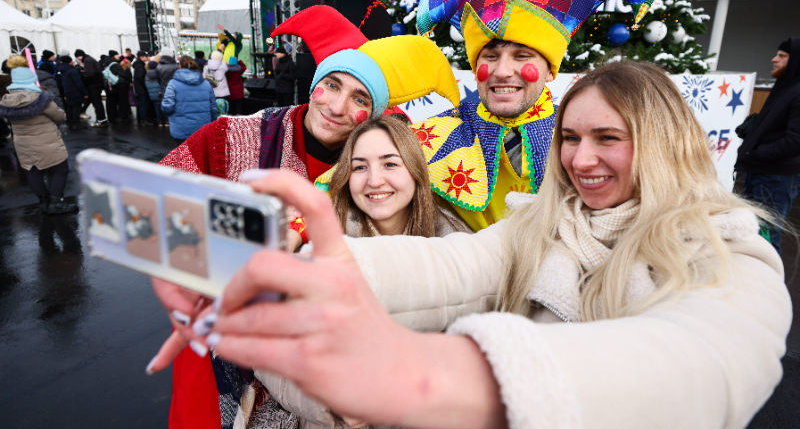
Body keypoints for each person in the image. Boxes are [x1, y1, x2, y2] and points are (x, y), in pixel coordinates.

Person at [150, 60, 792, 429]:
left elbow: (711, 358)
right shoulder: (545, 220)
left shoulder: (724, 245)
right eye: (569, 138)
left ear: (663, 139)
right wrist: (301, 269)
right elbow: (452, 265)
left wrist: (445, 379)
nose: (581, 159)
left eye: (608, 138)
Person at [157, 4, 460, 429]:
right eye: (331, 85)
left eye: (359, 98)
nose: (337, 106)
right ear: (315, 83)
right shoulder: (233, 135)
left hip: (314, 374)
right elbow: (157, 202)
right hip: (218, 348)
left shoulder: (374, 169)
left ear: (373, 113)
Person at [411, 0, 659, 231]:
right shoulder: (428, 138)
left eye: (522, 56)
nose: (502, 72)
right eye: (490, 56)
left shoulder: (582, 139)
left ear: (550, 70)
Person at [328, 115, 471, 238]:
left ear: (416, 171)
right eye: (360, 167)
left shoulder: (459, 245)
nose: (374, 181)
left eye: (390, 164)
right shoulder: (320, 241)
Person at [736, 37, 800, 255]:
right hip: (762, 171)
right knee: (750, 233)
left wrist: (757, 152)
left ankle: (769, 286)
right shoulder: (786, 86)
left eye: (782, 56)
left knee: (766, 239)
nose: (774, 59)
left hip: (776, 177)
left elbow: (796, 141)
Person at [0, 56, 77, 214]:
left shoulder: (6, 101)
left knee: (33, 171)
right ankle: (56, 203)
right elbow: (60, 117)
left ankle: (43, 203)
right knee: (60, 169)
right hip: (47, 141)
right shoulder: (41, 99)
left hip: (23, 144)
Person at [160, 56, 217, 146]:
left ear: (180, 66)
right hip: (203, 128)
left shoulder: (173, 83)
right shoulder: (206, 84)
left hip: (181, 128)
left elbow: (167, 107)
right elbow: (213, 107)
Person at [75, 49, 108, 128]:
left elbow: (90, 73)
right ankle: (102, 120)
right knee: (98, 102)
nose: (78, 59)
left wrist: (83, 75)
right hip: (98, 84)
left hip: (94, 85)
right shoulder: (90, 59)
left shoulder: (87, 60)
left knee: (96, 103)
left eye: (77, 57)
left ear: (80, 56)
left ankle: (101, 120)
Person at [59, 56, 88, 130]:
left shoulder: (63, 70)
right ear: (69, 62)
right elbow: (79, 83)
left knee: (70, 107)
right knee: (76, 108)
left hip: (67, 91)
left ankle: (70, 122)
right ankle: (76, 123)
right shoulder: (72, 71)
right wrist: (85, 92)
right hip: (75, 91)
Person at [104, 51, 132, 123]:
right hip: (119, 84)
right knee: (122, 100)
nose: (118, 56)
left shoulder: (107, 62)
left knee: (111, 101)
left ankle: (112, 117)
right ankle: (121, 116)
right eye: (116, 54)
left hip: (110, 84)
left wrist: (124, 56)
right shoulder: (114, 64)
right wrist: (129, 79)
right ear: (113, 56)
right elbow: (124, 73)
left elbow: (122, 60)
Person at [132, 50, 154, 126]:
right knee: (144, 104)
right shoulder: (140, 66)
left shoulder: (138, 65)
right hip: (142, 88)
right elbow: (140, 77)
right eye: (145, 56)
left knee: (142, 103)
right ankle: (144, 119)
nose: (147, 57)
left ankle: (143, 119)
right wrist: (145, 83)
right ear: (141, 57)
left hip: (139, 88)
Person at [145, 60, 166, 127]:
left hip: (152, 95)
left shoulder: (146, 74)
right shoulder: (158, 73)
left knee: (157, 107)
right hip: (160, 93)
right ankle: (166, 121)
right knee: (164, 107)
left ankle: (160, 121)